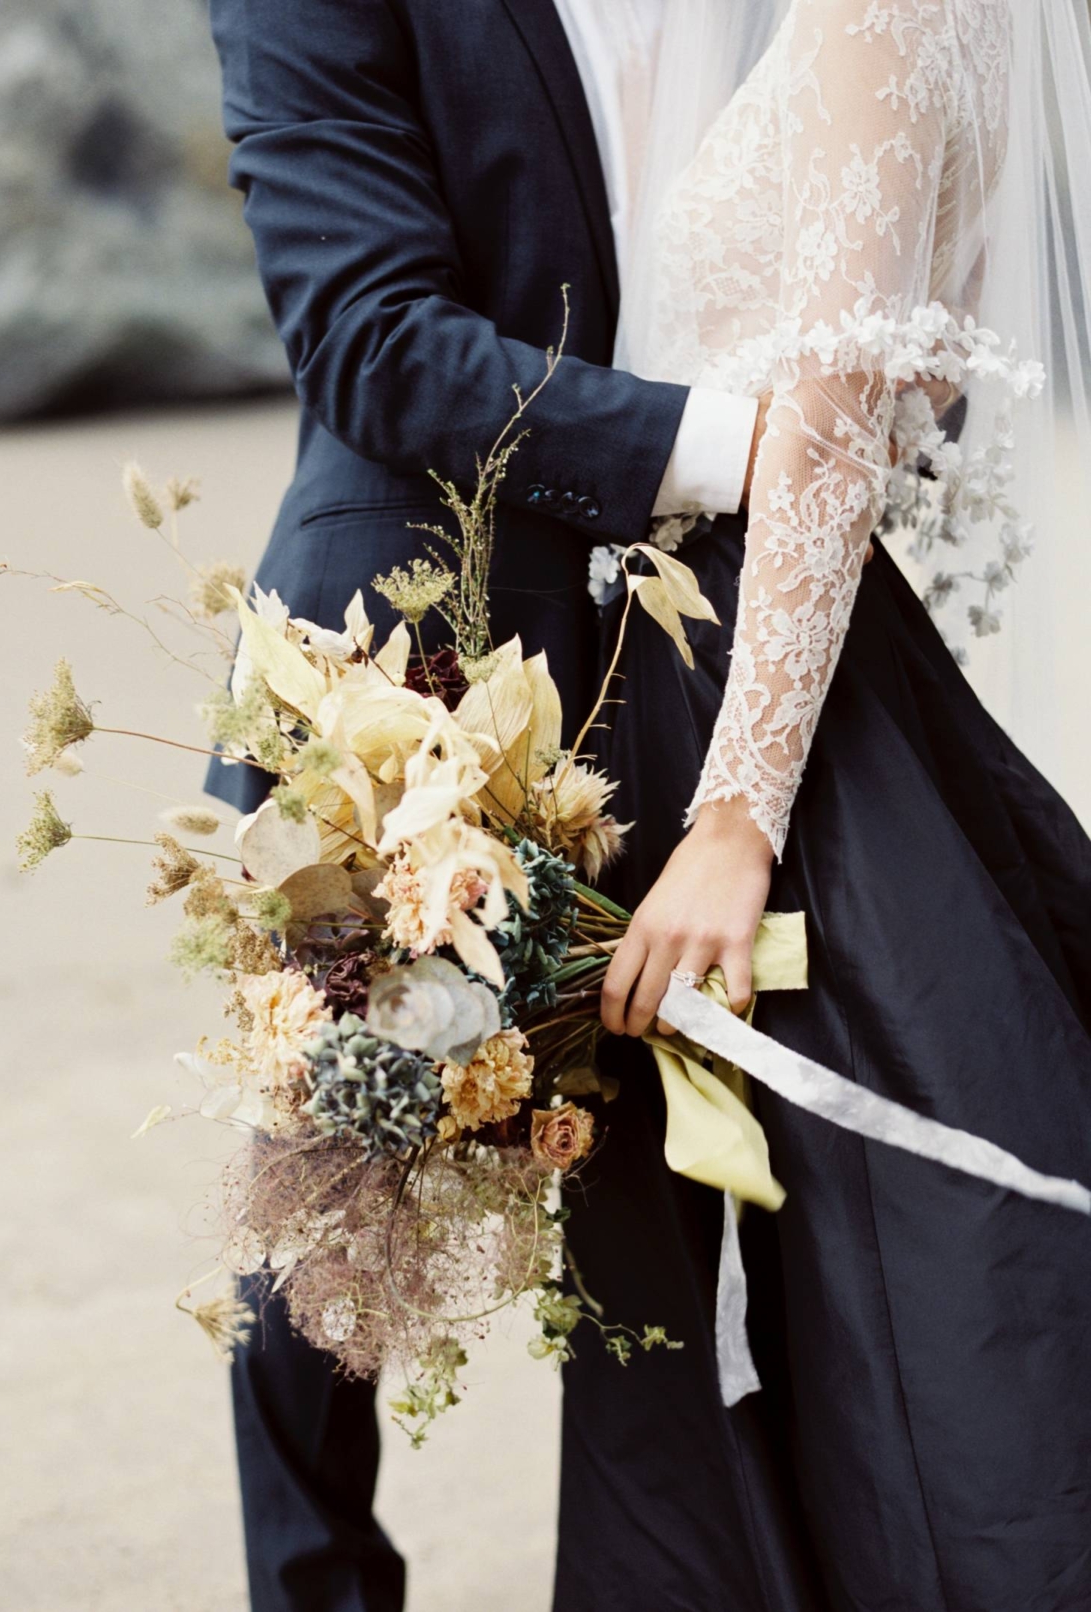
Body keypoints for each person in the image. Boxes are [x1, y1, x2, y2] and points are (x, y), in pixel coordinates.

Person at [204, 3, 769, 1607]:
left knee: (681, 1213)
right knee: (328, 1215)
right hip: (406, 675)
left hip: (712, 678)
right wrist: (736, 446)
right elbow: (367, 333)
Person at [561, 1, 1091, 1608]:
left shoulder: (888, 11)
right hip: (718, 659)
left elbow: (836, 417)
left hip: (767, 705)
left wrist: (736, 820)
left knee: (895, 1285)